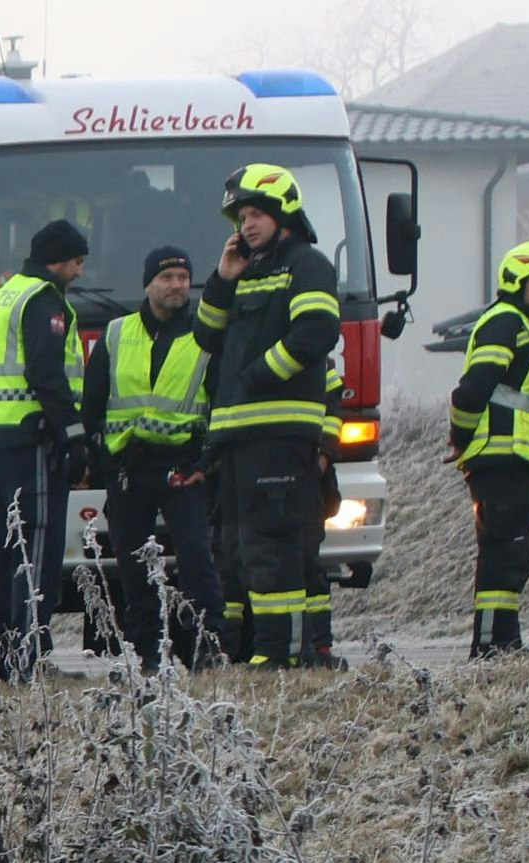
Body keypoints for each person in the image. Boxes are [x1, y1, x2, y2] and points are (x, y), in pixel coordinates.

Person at [198, 163, 346, 668]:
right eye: (241, 215)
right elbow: (207, 336)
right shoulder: (245, 271)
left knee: (275, 545)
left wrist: (259, 374)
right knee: (239, 547)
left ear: (284, 213)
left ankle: (279, 654)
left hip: (278, 432)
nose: (246, 224)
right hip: (239, 434)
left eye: (256, 212)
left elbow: (316, 333)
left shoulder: (307, 264)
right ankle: (262, 652)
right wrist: (222, 279)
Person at [0, 218, 94, 677]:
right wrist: (73, 432)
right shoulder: (43, 300)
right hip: (30, 438)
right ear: (58, 260)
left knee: (0, 552)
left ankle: (3, 658)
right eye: (77, 263)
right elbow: (46, 372)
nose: (80, 273)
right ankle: (29, 657)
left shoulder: (2, 296)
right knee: (34, 547)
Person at [96, 246, 217, 668]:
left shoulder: (206, 333)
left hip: (183, 470)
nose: (177, 286)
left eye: (183, 278)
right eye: (167, 278)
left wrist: (204, 464)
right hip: (128, 471)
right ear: (148, 283)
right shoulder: (115, 334)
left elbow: (220, 404)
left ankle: (205, 649)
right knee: (133, 570)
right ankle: (146, 655)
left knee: (197, 560)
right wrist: (100, 462)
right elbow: (93, 405)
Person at [452, 238, 529, 656]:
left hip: (515, 460)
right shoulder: (505, 322)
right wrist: (460, 440)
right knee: (504, 552)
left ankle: (504, 641)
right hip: (501, 457)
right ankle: (490, 647)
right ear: (516, 280)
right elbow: (471, 390)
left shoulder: (525, 327)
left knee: (512, 552)